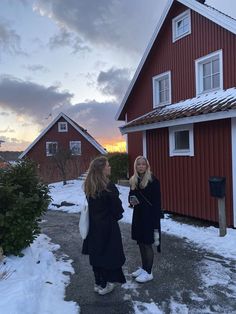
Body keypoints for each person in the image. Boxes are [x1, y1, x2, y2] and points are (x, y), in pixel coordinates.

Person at [82, 156, 126, 295]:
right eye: (108, 165)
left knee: (96, 255)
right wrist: (117, 215)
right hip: (108, 228)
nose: (110, 167)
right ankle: (106, 284)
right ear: (102, 169)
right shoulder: (109, 187)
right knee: (109, 256)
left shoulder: (89, 186)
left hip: (94, 227)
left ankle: (98, 282)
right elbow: (117, 210)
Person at [129, 156, 162, 283]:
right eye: (139, 164)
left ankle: (149, 272)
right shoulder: (133, 180)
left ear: (147, 166)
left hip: (149, 217)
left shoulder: (153, 181)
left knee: (147, 244)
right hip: (138, 216)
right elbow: (130, 197)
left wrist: (155, 221)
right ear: (135, 166)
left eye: (143, 164)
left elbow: (157, 202)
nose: (141, 166)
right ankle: (143, 268)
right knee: (141, 243)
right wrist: (131, 201)